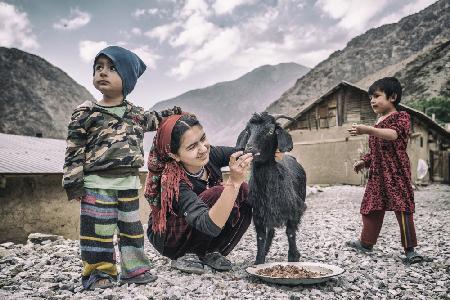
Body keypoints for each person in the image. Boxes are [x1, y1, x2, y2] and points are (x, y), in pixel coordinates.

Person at [62, 45, 180, 290]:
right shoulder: (86, 113)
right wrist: (73, 182)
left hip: (128, 184)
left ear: (127, 78)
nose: (103, 72)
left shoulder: (136, 114)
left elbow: (157, 119)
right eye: (99, 68)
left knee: (132, 230)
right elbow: (74, 150)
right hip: (96, 185)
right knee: (97, 232)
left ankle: (135, 269)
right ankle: (98, 273)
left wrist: (175, 114)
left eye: (112, 68)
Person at [144, 114, 253, 274]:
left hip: (203, 225)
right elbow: (209, 225)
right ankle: (187, 255)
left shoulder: (211, 155)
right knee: (219, 193)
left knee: (245, 191)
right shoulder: (173, 180)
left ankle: (210, 251)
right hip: (169, 237)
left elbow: (245, 152)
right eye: (192, 147)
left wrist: (272, 150)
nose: (203, 149)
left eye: (203, 139)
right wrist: (233, 183)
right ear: (175, 155)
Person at [346, 77, 423, 264]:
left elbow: (392, 135)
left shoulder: (401, 118)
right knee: (371, 208)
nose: (372, 100)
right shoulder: (378, 121)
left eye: (377, 96)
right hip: (377, 175)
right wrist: (364, 161)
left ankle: (410, 250)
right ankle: (366, 243)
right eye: (371, 97)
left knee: (402, 208)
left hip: (395, 171)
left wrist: (368, 130)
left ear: (393, 97)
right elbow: (375, 150)